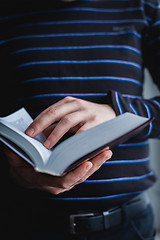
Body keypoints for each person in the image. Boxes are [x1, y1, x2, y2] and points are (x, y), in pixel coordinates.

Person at [0, 0, 159, 239]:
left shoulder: (142, 5)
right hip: (24, 222)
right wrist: (14, 174)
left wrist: (118, 112)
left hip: (128, 227)